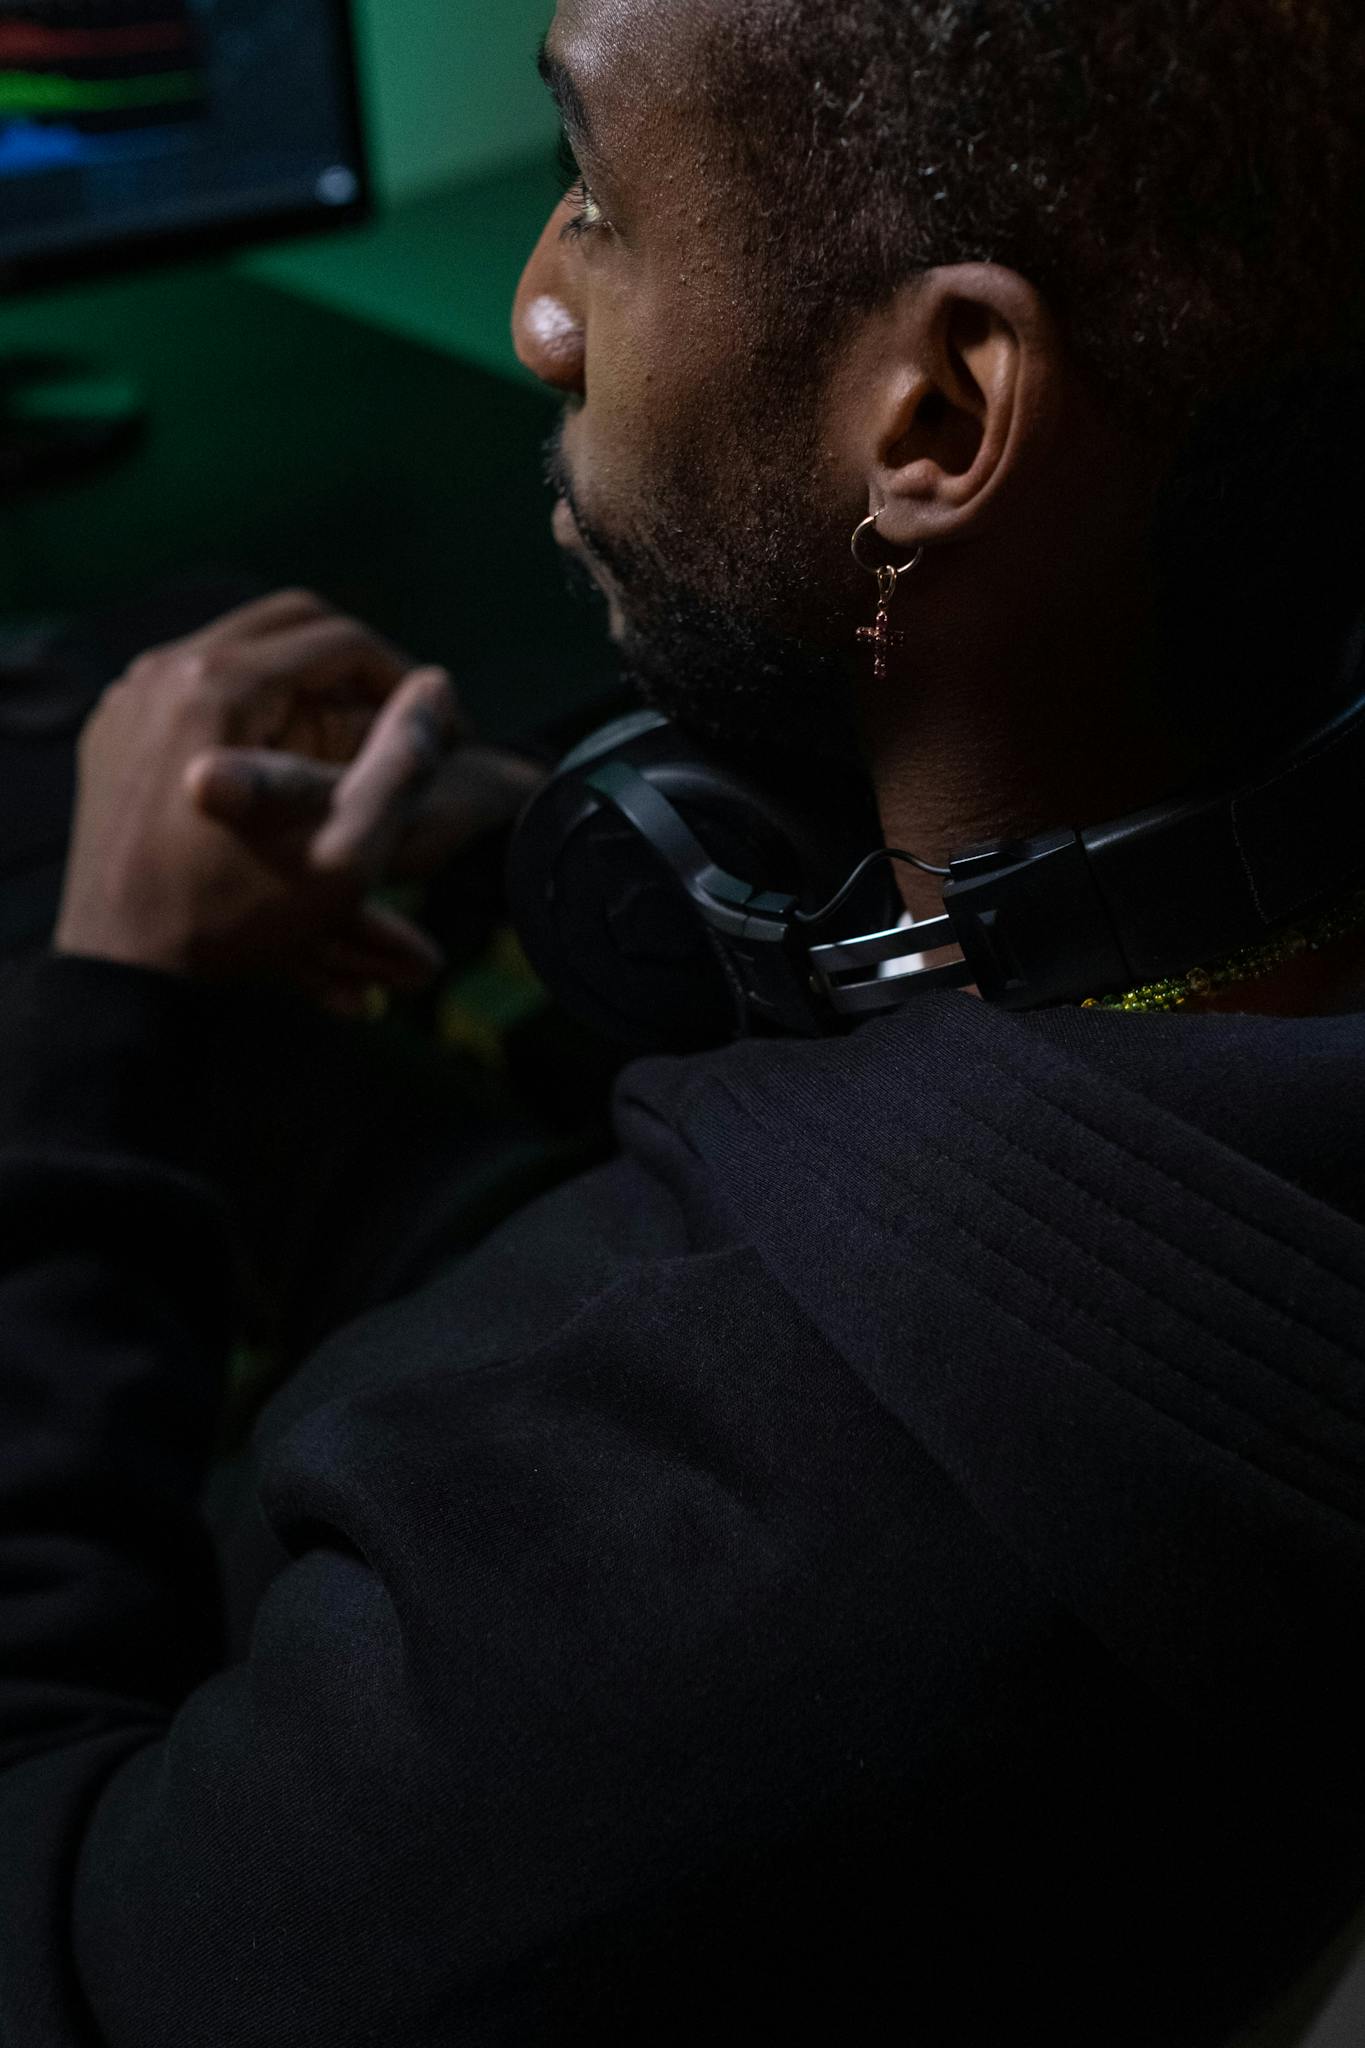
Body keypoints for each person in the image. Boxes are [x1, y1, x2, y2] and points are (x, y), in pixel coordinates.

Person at [3, 1, 1365, 2042]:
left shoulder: (728, 1568)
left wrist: (95, 1024)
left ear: (932, 418)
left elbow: (51, 1942)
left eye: (598, 198)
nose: (538, 305)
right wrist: (503, 874)